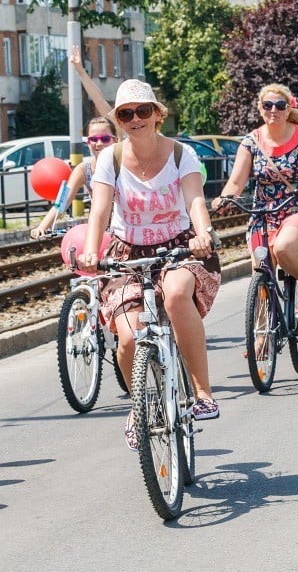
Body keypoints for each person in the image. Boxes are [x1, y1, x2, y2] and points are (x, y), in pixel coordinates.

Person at [76, 80, 221, 450]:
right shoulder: (109, 159)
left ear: (158, 114)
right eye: (126, 114)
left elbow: (194, 202)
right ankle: (140, 406)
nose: (135, 119)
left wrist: (203, 233)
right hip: (129, 254)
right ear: (119, 121)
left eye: (143, 111)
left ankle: (202, 393)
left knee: (174, 295)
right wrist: (92, 252)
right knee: (127, 338)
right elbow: (99, 212)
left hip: (180, 248)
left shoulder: (180, 154)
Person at [212, 83, 298, 326]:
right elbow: (236, 181)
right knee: (262, 271)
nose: (273, 110)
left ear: (288, 109)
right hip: (264, 213)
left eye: (280, 105)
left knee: (284, 248)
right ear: (260, 109)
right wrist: (224, 198)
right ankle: (262, 334)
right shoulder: (251, 141)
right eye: (267, 105)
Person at [30, 117, 117, 239]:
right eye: (93, 139)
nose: (99, 143)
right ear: (88, 142)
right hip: (101, 232)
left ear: (116, 141)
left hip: (127, 230)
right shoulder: (84, 170)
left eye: (105, 139)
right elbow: (62, 202)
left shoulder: (125, 163)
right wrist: (42, 227)